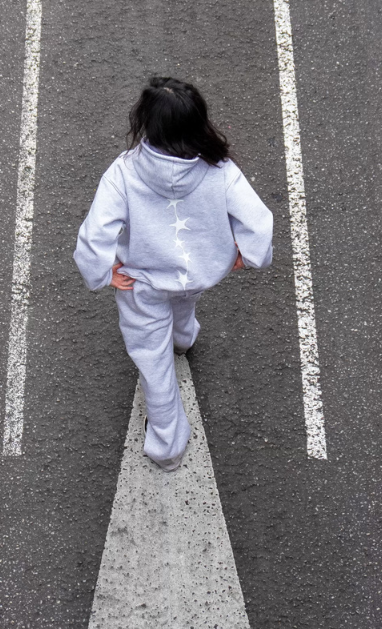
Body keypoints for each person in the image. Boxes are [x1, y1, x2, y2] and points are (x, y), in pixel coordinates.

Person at [74, 76, 273, 471]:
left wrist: (102, 273)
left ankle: (167, 446)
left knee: (152, 360)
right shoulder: (219, 169)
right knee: (184, 303)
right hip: (195, 273)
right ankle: (184, 338)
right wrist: (246, 256)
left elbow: (95, 234)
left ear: (146, 123)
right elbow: (259, 223)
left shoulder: (125, 172)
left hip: (143, 282)